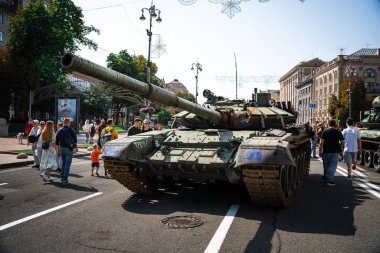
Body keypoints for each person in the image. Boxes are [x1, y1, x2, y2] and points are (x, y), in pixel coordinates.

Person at [319, 119, 345, 186]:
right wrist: (340, 147)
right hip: (335, 151)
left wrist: (320, 151)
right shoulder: (338, 132)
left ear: (328, 124)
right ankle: (330, 180)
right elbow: (343, 142)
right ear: (335, 124)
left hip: (326, 151)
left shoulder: (325, 132)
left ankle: (328, 179)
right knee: (333, 166)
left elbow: (321, 143)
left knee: (326, 166)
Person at [55, 118, 78, 184]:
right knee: (67, 164)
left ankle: (62, 177)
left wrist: (57, 151)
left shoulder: (59, 130)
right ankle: (65, 179)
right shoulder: (71, 129)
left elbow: (56, 142)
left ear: (63, 122)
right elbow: (75, 140)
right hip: (69, 149)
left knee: (63, 163)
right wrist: (76, 148)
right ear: (69, 123)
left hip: (62, 148)